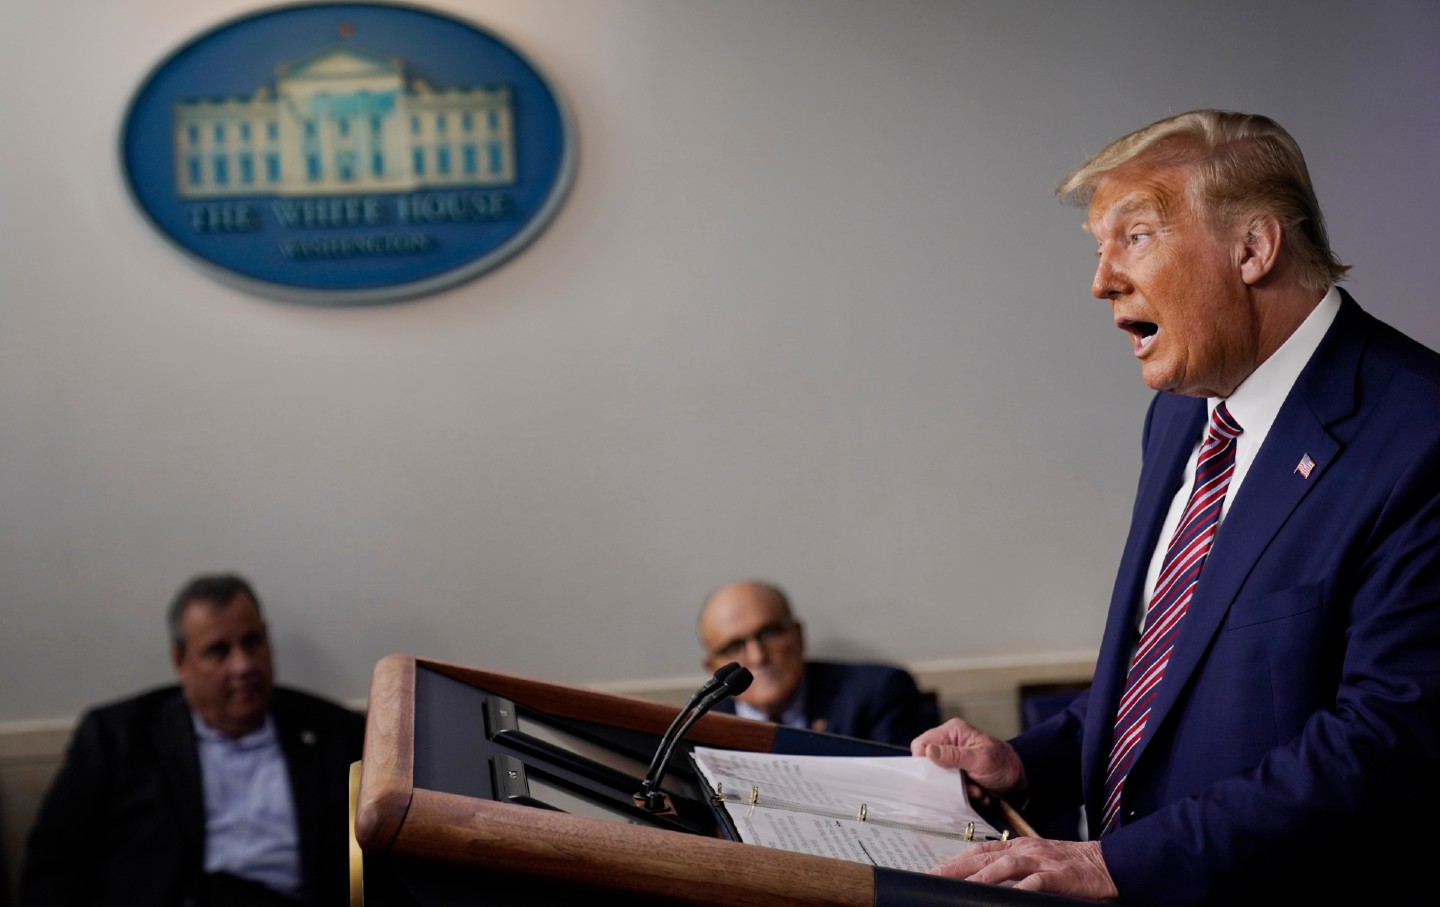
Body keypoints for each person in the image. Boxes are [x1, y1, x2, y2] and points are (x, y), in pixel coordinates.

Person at [911, 109, 1440, 904]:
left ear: (1253, 248)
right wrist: (1032, 761)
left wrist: (1115, 863)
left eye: (1136, 236)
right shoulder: (1182, 415)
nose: (1101, 281)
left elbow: (1386, 746)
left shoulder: (1421, 432)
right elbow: (1176, 667)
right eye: (1099, 246)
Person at [20, 574, 365, 907]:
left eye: (252, 642)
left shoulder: (334, 733)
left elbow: (381, 872)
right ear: (181, 662)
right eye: (219, 651)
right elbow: (51, 874)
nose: (243, 665)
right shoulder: (118, 738)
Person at [698, 580, 936, 747]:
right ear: (713, 668)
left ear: (798, 636)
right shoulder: (698, 729)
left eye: (769, 633)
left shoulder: (878, 692)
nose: (758, 657)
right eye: (734, 647)